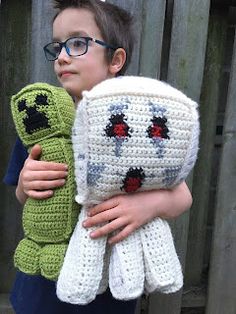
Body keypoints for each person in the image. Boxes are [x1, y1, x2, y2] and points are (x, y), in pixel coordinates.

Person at [4, 0, 193, 313]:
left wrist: (146, 205)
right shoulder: (40, 119)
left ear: (115, 59)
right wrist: (27, 183)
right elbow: (23, 196)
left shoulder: (135, 122)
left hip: (106, 293)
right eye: (57, 46)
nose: (62, 56)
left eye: (77, 43)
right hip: (40, 291)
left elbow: (182, 196)